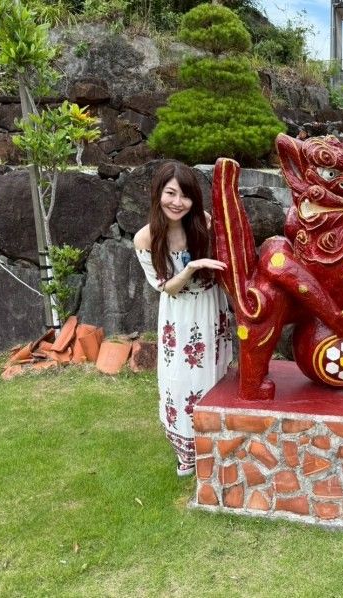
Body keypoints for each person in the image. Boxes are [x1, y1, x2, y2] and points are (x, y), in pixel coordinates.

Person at [134, 161, 233, 477]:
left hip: (209, 308)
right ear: (158, 194)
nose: (177, 202)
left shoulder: (203, 222)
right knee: (180, 383)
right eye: (170, 193)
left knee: (214, 375)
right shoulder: (146, 238)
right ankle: (187, 453)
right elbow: (167, 288)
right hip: (179, 317)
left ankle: (215, 446)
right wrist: (190, 268)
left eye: (185, 195)